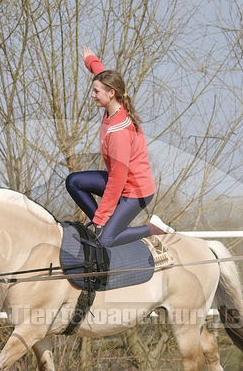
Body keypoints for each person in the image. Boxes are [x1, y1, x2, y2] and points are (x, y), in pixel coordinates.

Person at [65, 47, 173, 247]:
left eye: (96, 92)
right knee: (73, 181)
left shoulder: (119, 133)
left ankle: (153, 229)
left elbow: (117, 180)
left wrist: (100, 218)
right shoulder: (114, 103)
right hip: (123, 183)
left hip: (136, 191)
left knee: (106, 240)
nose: (92, 95)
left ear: (111, 93)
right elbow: (100, 73)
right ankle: (103, 224)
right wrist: (90, 59)